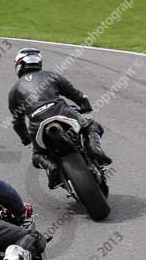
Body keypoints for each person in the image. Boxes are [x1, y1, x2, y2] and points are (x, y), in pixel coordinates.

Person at [8, 48, 112, 189]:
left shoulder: (14, 91)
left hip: (37, 126)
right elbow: (75, 94)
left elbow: (17, 122)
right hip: (62, 112)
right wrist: (85, 105)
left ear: (19, 65)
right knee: (92, 125)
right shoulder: (51, 76)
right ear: (38, 62)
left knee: (37, 156)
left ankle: (52, 168)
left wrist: (25, 139)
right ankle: (94, 148)